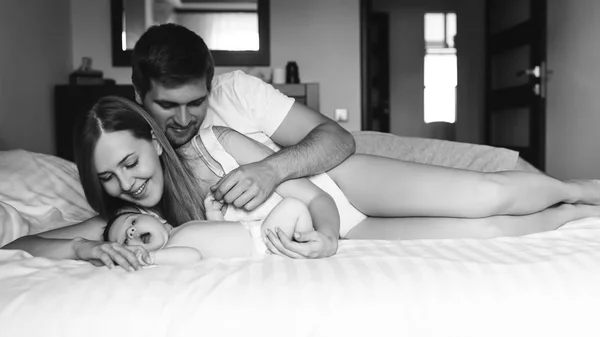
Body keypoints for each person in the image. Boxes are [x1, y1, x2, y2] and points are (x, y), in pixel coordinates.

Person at [103, 196, 313, 265]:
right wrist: (153, 257)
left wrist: (213, 213)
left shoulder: (180, 229)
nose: (130, 233)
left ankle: (305, 241)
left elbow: (220, 231)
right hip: (260, 244)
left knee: (295, 207)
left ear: (156, 218)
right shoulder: (172, 248)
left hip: (255, 229)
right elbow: (193, 255)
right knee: (293, 206)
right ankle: (305, 243)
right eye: (124, 241)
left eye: (132, 222)